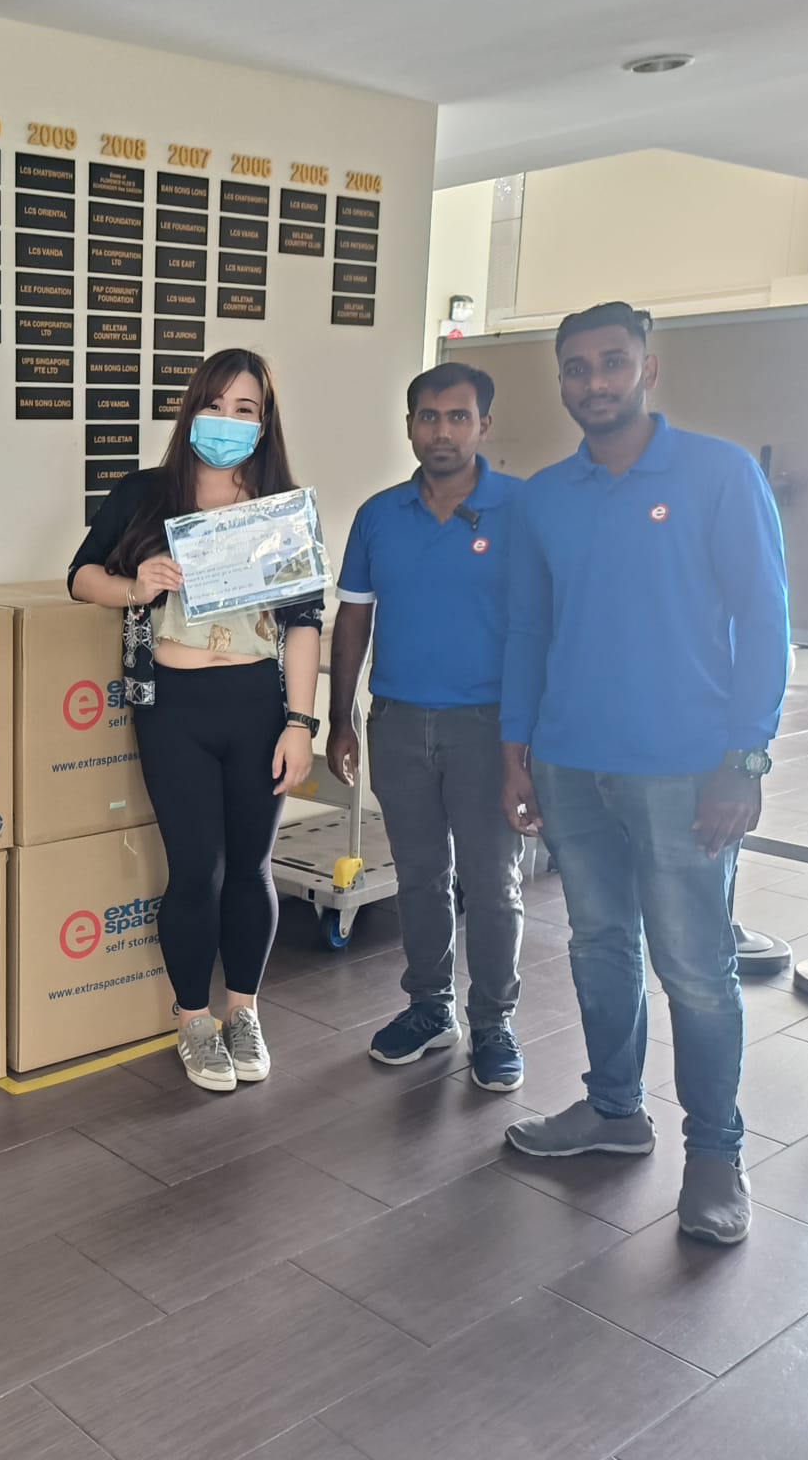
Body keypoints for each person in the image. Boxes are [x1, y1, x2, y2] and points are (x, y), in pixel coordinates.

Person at [500, 301, 789, 1247]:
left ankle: (716, 1153)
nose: (595, 382)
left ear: (647, 369)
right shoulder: (545, 496)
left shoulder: (719, 473)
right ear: (562, 379)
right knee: (598, 943)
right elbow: (529, 630)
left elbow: (767, 622)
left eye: (613, 363)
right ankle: (615, 1110)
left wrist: (745, 760)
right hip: (570, 762)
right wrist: (516, 752)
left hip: (685, 772)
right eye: (577, 368)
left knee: (696, 970)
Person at [68, 348, 324, 1093]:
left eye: (245, 409)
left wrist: (300, 723)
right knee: (196, 869)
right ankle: (193, 1020)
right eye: (215, 405)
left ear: (264, 423)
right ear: (191, 410)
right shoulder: (147, 494)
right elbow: (81, 576)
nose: (227, 421)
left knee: (250, 867)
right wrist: (134, 585)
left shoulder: (280, 509)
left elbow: (305, 622)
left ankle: (243, 1011)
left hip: (259, 707)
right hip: (174, 707)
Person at [326, 363, 528, 1092]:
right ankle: (430, 1007)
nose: (442, 431)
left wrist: (529, 739)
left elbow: (543, 626)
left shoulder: (522, 510)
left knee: (492, 882)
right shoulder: (379, 515)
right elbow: (354, 617)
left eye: (458, 417)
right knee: (418, 874)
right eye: (428, 417)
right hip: (399, 721)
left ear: (484, 425)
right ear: (409, 425)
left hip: (489, 727)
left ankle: (494, 1022)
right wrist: (341, 718)